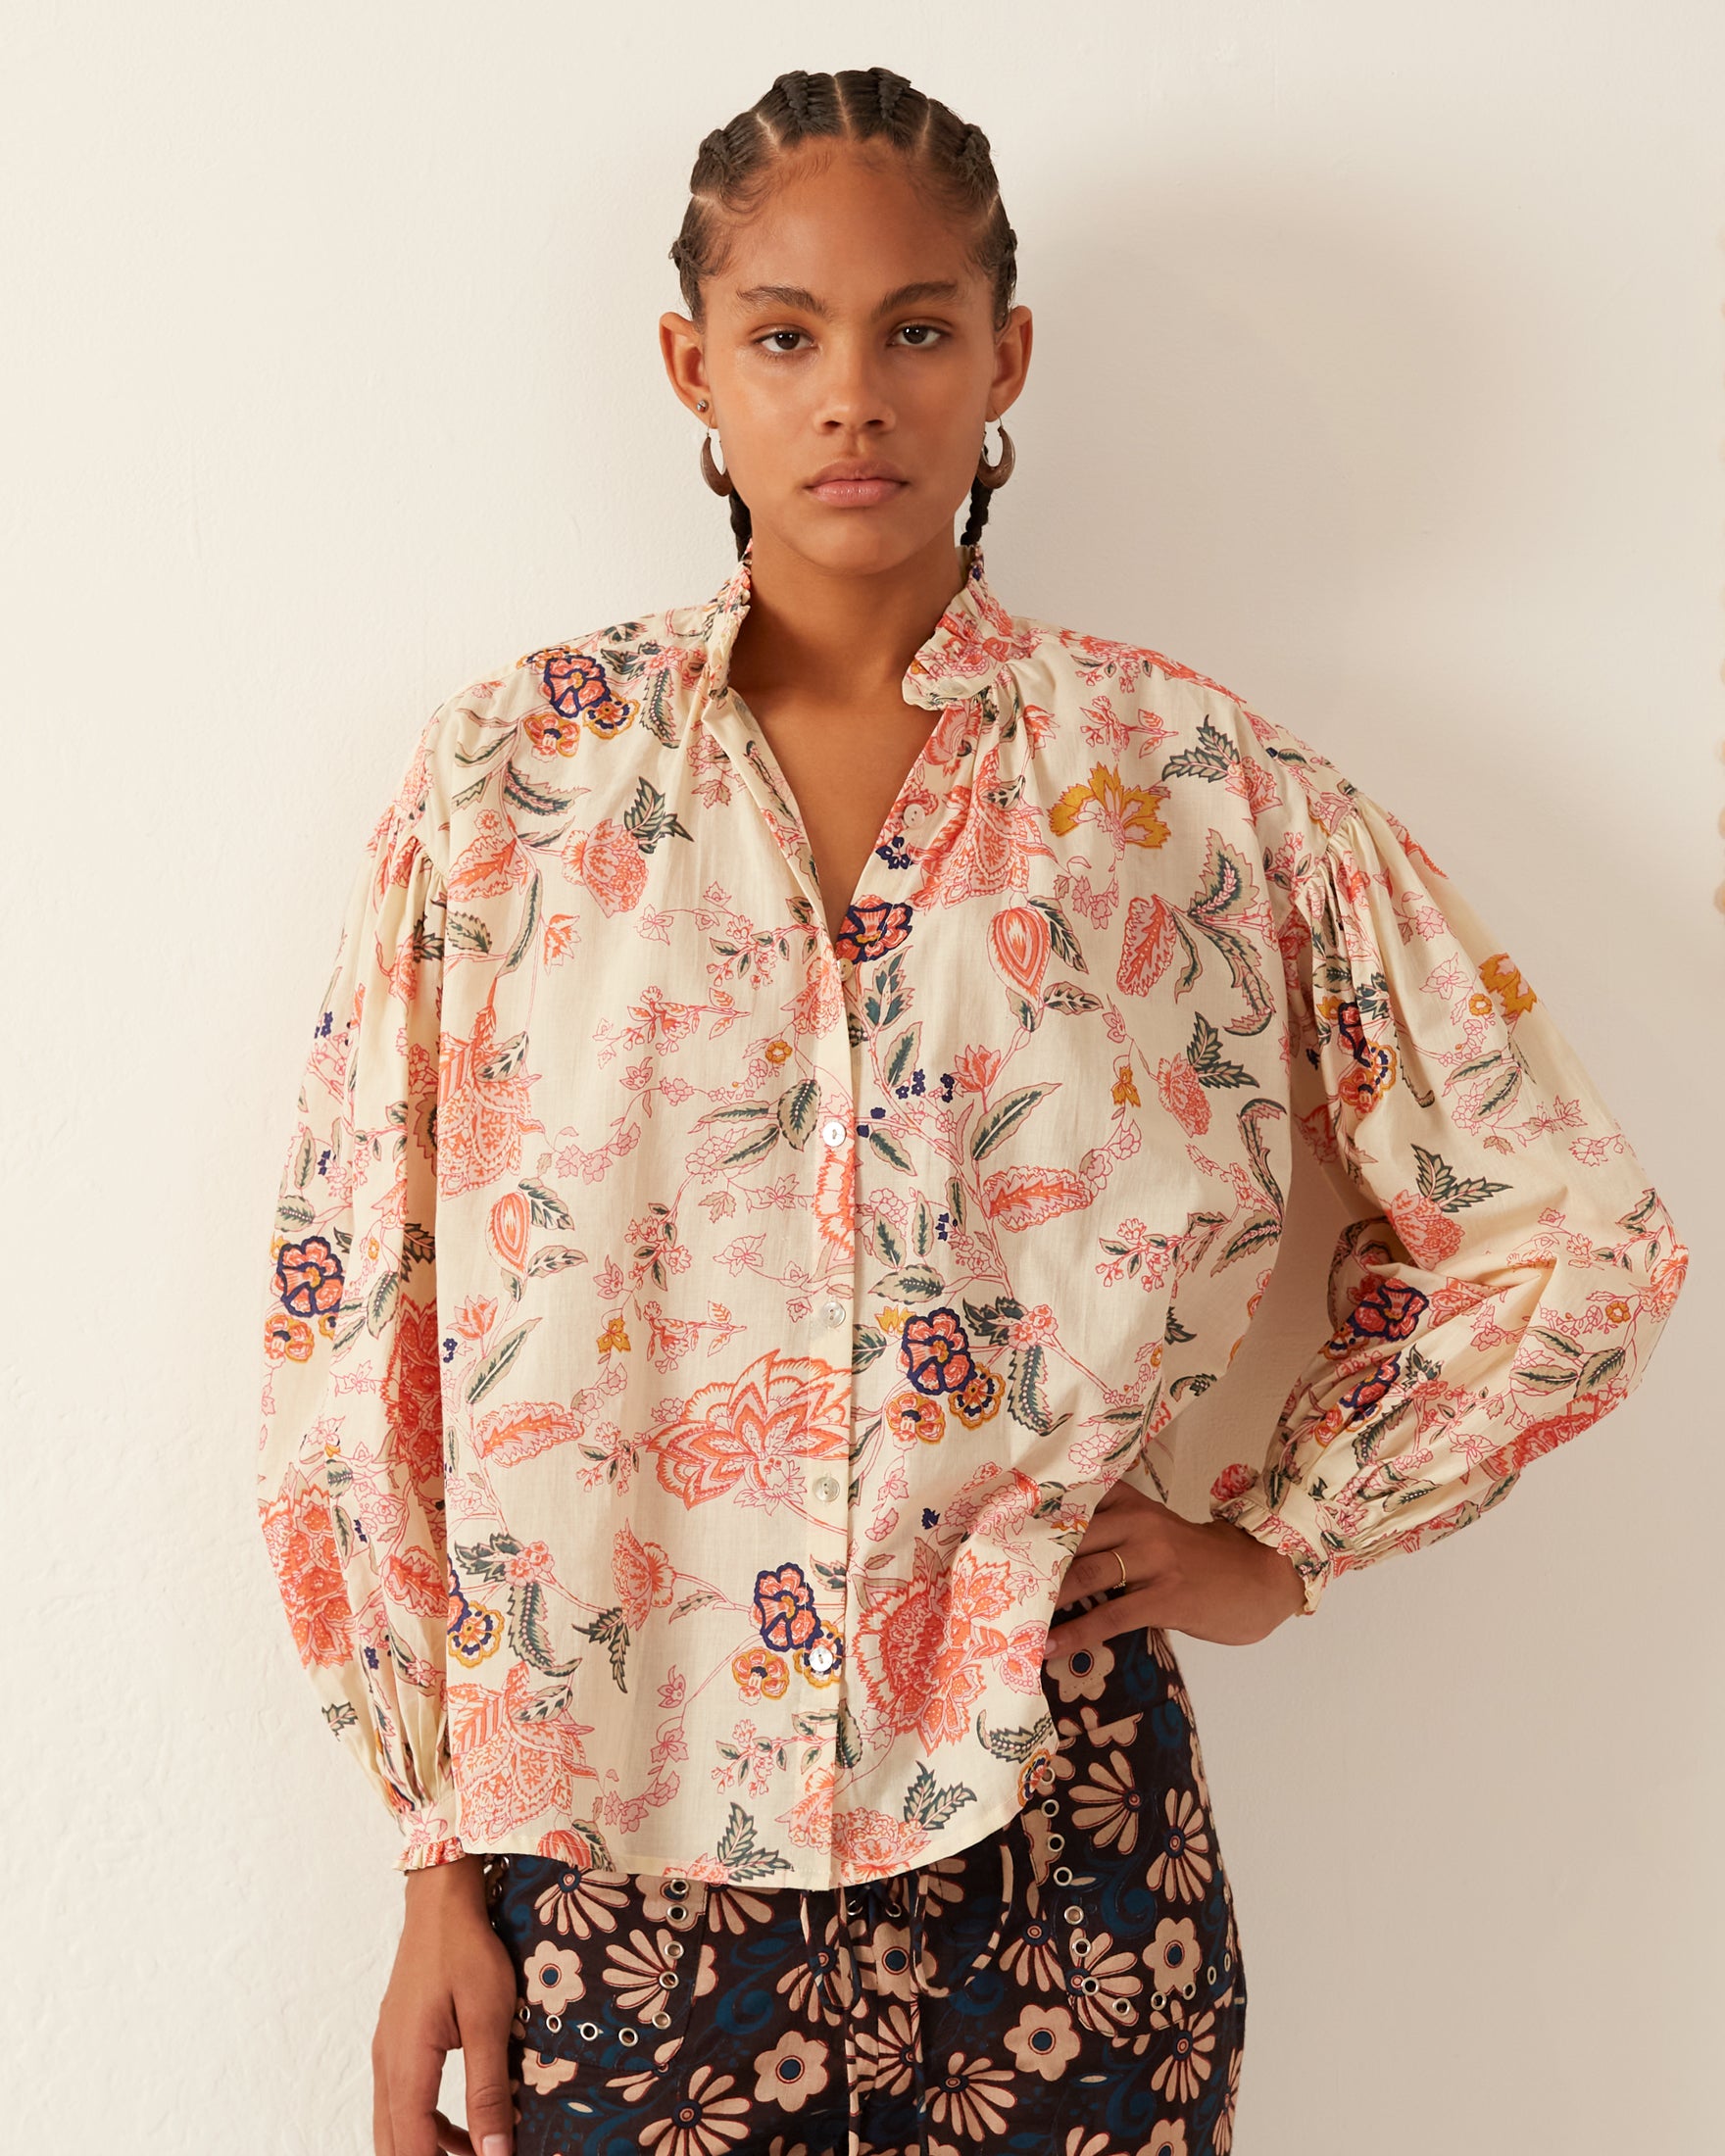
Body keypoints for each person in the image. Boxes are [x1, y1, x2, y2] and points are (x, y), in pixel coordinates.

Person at [254, 64, 1689, 2156]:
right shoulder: (514, 784)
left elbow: (1567, 1222)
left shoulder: (1187, 786)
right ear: (694, 368)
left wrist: (1280, 1536)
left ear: (1004, 359)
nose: (853, 395)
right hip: (611, 1848)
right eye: (786, 332)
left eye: (915, 328)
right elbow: (346, 1322)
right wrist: (424, 1855)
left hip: (1064, 1845)